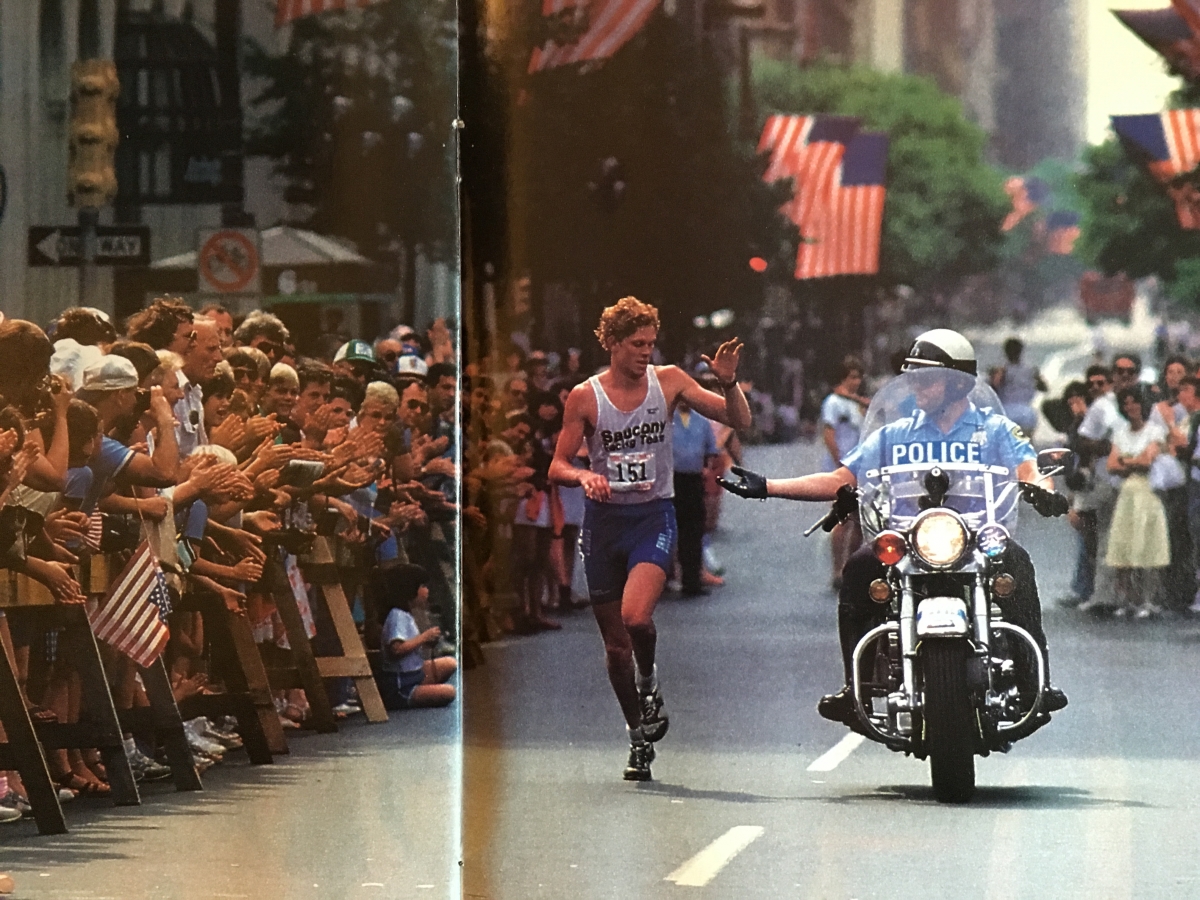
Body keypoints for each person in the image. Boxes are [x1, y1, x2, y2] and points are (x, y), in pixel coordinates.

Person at [719, 329, 1069, 724]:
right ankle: (857, 688)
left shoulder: (996, 430)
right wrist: (768, 486)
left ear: (957, 384)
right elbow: (843, 477)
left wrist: (1044, 489)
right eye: (913, 378)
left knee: (1017, 565)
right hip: (906, 542)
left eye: (927, 379)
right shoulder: (895, 434)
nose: (916, 386)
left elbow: (1030, 469)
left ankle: (1033, 681)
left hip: (975, 539)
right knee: (857, 570)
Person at [548, 296, 751, 781]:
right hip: (604, 523)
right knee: (615, 645)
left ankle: (649, 678)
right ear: (613, 344)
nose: (646, 352)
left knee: (637, 618)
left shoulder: (671, 381)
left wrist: (727, 381)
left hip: (652, 517)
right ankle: (637, 734)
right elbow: (556, 464)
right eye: (637, 344)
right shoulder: (585, 396)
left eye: (651, 343)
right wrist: (582, 478)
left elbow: (737, 420)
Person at [1106, 386, 1171, 618]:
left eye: (1134, 402)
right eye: (1126, 403)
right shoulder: (1120, 432)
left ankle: (1148, 599)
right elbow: (1112, 465)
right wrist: (1131, 460)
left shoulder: (1154, 431)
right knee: (1124, 547)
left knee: (1147, 546)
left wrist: (1126, 459)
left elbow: (1147, 461)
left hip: (1147, 492)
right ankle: (1127, 599)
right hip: (1127, 495)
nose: (1131, 407)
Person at [819, 356, 869, 588]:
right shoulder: (833, 403)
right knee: (842, 518)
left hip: (861, 467)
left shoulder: (857, 403)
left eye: (859, 377)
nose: (856, 381)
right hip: (842, 467)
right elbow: (829, 434)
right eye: (852, 377)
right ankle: (837, 569)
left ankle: (851, 566)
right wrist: (840, 463)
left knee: (861, 521)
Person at [992, 338, 1047, 438]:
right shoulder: (1031, 370)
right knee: (1025, 446)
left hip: (1006, 414)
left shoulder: (1001, 371)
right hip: (1027, 414)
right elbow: (1044, 388)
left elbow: (992, 389)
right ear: (1021, 351)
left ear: (1005, 352)